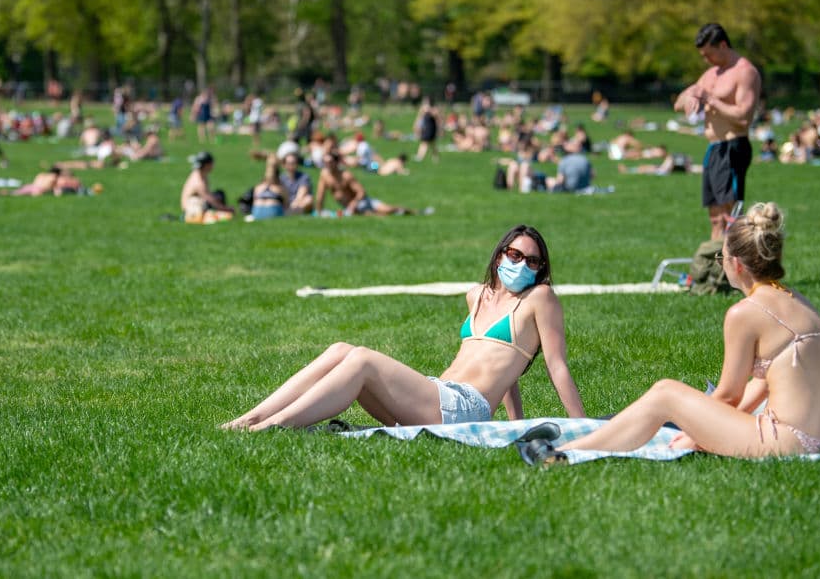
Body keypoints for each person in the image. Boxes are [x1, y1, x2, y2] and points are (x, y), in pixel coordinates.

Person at [524, 203, 820, 463]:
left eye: (722, 258)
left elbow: (728, 395)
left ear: (738, 264)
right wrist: (707, 427)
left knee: (666, 393)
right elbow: (761, 385)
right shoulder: (800, 302)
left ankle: (568, 453)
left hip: (786, 442)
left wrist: (696, 430)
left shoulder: (746, 313)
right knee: (677, 398)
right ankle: (583, 445)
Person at [221, 225, 586, 431]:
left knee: (362, 359)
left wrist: (582, 427)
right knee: (340, 350)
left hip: (462, 409)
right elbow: (506, 369)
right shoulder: (477, 295)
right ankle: (252, 416)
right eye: (516, 255)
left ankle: (273, 426)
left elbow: (557, 365)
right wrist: (513, 424)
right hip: (435, 394)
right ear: (500, 253)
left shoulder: (541, 298)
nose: (523, 265)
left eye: (533, 261)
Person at [674, 23, 762, 240]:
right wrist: (692, 97)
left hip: (733, 147)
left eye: (709, 54)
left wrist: (711, 99)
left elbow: (743, 117)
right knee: (715, 217)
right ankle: (717, 267)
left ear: (723, 45)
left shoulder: (745, 72)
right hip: (713, 148)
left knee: (730, 216)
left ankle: (735, 270)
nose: (706, 60)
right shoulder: (711, 74)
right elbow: (678, 103)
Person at [314, 151, 415, 216]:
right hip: (350, 208)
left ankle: (413, 212)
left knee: (387, 209)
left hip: (362, 202)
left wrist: (353, 203)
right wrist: (319, 211)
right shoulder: (324, 176)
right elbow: (320, 195)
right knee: (371, 215)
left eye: (330, 162)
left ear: (336, 163)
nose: (327, 165)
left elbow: (361, 192)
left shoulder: (346, 175)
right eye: (325, 162)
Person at [180, 151, 235, 220]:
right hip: (190, 211)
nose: (213, 166)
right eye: (212, 163)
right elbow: (211, 200)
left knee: (219, 194)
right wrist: (227, 209)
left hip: (193, 207)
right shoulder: (199, 182)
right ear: (207, 165)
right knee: (215, 201)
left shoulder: (200, 173)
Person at [250, 154, 288, 221]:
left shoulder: (258, 187)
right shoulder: (280, 188)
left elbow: (254, 201)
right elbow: (286, 205)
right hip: (273, 210)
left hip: (257, 211)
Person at [278, 149, 314, 215]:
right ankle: (293, 212)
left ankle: (290, 212)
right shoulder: (281, 178)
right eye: (289, 163)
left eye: (293, 163)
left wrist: (294, 204)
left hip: (299, 202)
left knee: (308, 199)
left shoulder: (304, 177)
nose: (291, 166)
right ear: (284, 165)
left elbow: (301, 194)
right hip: (286, 203)